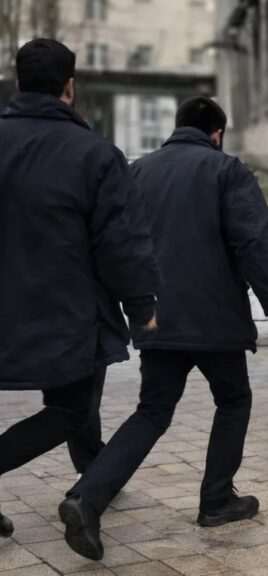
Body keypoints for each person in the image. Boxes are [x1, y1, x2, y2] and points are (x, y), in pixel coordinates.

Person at [58, 96, 268, 561]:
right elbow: (254, 242)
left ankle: (85, 499)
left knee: (152, 411)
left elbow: (111, 241)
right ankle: (216, 500)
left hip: (154, 315)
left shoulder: (138, 172)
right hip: (214, 319)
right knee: (233, 399)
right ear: (217, 134)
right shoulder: (227, 170)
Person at [0, 39, 159, 539]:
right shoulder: (96, 154)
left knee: (75, 409)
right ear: (70, 87)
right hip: (65, 311)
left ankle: (91, 479)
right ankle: (89, 485)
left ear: (19, 83)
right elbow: (121, 243)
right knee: (70, 410)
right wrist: (141, 306)